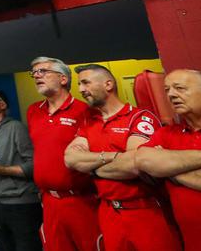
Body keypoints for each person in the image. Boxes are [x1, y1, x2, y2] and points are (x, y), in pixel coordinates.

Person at [63, 64, 181, 251]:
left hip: (145, 211)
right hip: (109, 212)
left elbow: (134, 166)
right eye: (79, 84)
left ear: (108, 84)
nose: (81, 90)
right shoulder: (89, 121)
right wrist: (115, 157)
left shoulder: (140, 118)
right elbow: (70, 158)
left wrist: (91, 167)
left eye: (85, 83)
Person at [135, 69, 201, 250]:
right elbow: (143, 160)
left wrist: (169, 170)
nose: (171, 95)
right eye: (167, 89)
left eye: (180, 88)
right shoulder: (166, 133)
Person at [26, 58, 100, 251]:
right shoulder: (33, 111)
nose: (36, 76)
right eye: (34, 73)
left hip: (81, 201)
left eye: (42, 71)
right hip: (49, 203)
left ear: (63, 79)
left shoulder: (85, 111)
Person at [0, 86, 42, 251]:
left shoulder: (16, 128)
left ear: (3, 105)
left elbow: (34, 164)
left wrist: (1, 170)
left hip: (22, 202)